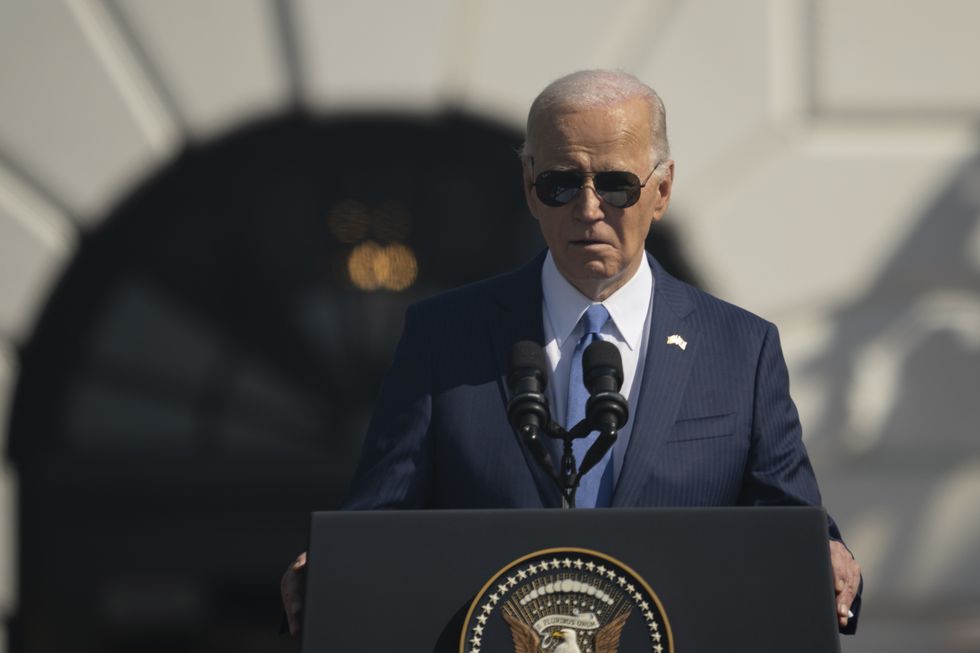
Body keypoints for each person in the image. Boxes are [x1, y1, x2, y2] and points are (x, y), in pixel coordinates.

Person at [281, 69, 862, 635]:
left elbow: (786, 519)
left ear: (661, 190)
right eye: (561, 184)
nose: (588, 209)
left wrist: (828, 550)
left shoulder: (740, 347)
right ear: (529, 188)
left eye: (616, 184)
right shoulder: (444, 335)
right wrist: (333, 568)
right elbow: (380, 516)